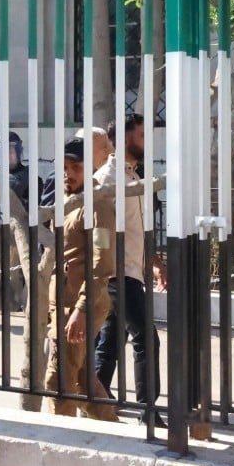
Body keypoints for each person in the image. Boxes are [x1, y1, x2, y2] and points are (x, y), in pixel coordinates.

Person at [93, 113, 167, 427]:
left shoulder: (134, 176)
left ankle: (95, 399)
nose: (147, 142)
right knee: (147, 339)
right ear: (125, 139)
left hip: (132, 270)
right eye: (141, 135)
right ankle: (147, 411)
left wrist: (154, 262)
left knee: (111, 340)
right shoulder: (107, 179)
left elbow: (136, 229)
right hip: (117, 273)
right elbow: (99, 229)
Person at [44, 137, 118, 420]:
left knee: (58, 381)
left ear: (90, 168)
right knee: (84, 383)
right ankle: (115, 434)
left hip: (79, 305)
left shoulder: (97, 205)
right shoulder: (67, 200)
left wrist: (81, 309)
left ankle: (58, 439)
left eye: (75, 167)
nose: (68, 173)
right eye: (64, 167)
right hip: (63, 302)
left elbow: (102, 264)